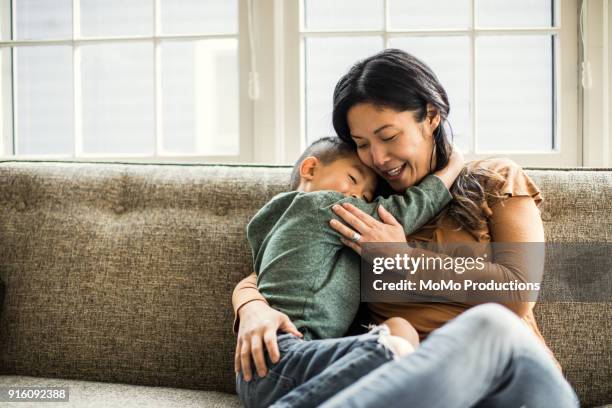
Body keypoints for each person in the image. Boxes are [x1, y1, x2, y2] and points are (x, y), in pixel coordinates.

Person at [233, 49, 578, 407]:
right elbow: (280, 263)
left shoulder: (493, 179)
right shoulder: (367, 205)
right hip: (411, 393)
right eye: (363, 145)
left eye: (388, 136)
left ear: (431, 116)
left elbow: (519, 292)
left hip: (510, 385)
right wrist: (252, 308)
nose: (378, 159)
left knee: (491, 323)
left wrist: (404, 261)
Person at [237, 136, 463, 407]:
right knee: (397, 344)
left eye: (367, 197)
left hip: (262, 369)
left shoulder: (270, 224)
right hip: (285, 355)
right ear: (309, 169)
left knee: (397, 334)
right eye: (353, 179)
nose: (358, 197)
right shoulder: (322, 206)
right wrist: (452, 167)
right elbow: (402, 213)